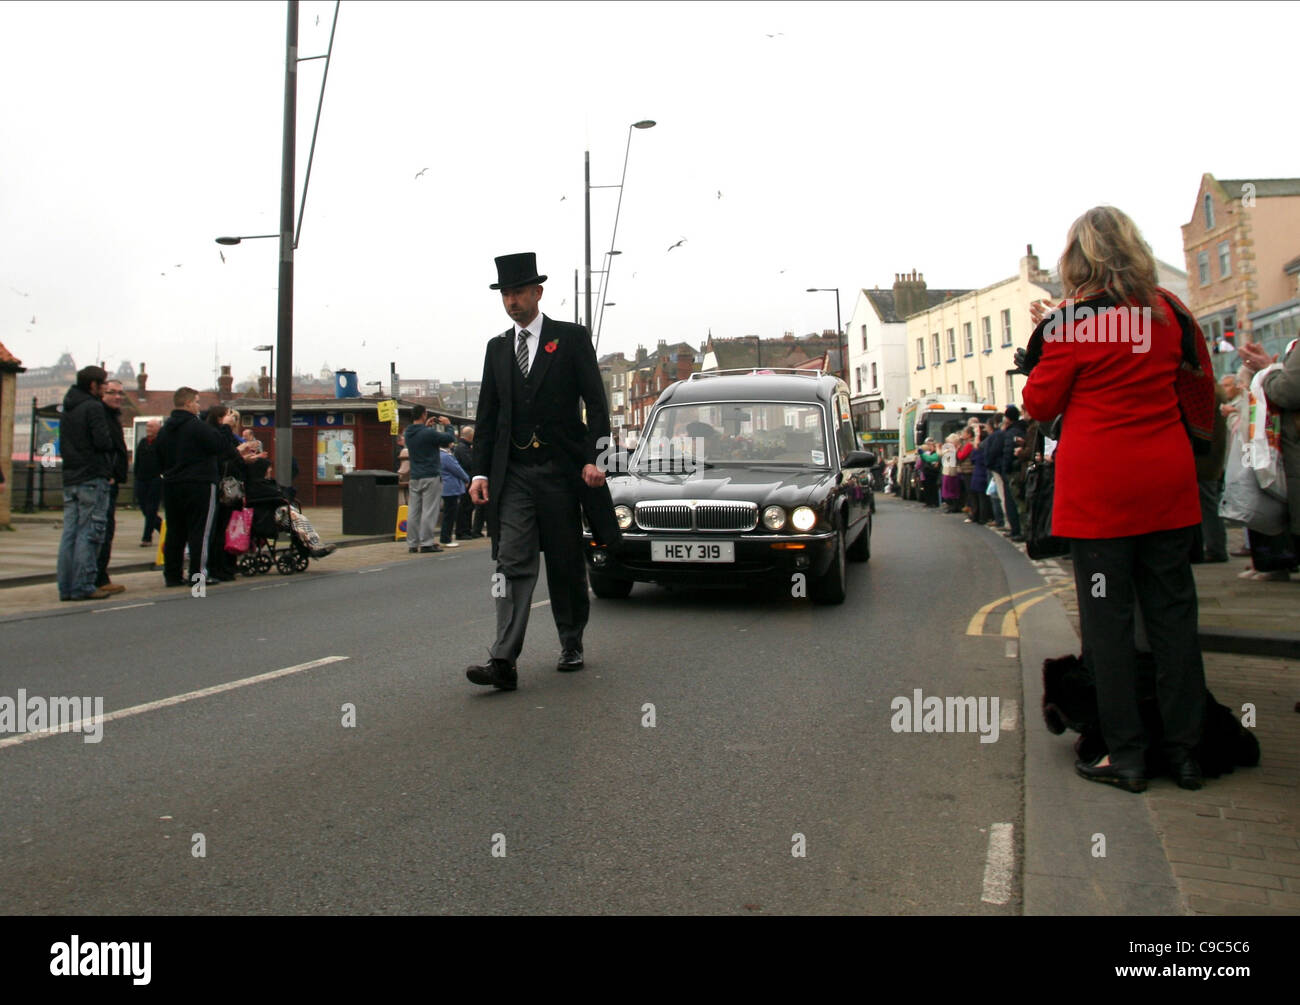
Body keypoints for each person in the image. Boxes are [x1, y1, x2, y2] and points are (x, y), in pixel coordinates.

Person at [1020, 204, 1213, 793]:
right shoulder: (1170, 311)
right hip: (1168, 484)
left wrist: (1051, 330)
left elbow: (1039, 404)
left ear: (1078, 258)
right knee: (1175, 622)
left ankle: (1125, 756)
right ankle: (1186, 754)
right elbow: (1196, 381)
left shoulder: (1075, 321)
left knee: (1109, 626)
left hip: (1102, 493)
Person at [464, 251, 617, 689]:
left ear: (538, 292)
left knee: (566, 563)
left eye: (518, 292)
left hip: (560, 472)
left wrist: (597, 459)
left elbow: (597, 405)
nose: (512, 301)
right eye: (506, 294)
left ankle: (571, 640)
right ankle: (503, 660)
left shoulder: (570, 339)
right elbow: (488, 417)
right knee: (510, 563)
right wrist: (479, 473)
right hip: (514, 474)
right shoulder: (497, 349)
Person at [154, 387, 257, 587]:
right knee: (200, 531)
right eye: (197, 402)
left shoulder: (166, 429)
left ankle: (172, 575)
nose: (198, 406)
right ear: (188, 403)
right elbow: (220, 446)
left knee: (175, 531)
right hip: (199, 484)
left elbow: (157, 456)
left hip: (171, 484)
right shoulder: (196, 426)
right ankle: (198, 575)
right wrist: (226, 427)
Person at [56, 365, 114, 601]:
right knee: (89, 533)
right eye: (103, 385)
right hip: (92, 475)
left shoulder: (68, 408)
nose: (105, 389)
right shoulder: (93, 407)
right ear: (93, 385)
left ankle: (66, 586)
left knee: (69, 533)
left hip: (71, 476)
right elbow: (102, 441)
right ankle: (83, 584)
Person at [92, 378, 129, 595]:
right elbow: (102, 447)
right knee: (101, 530)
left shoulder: (111, 417)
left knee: (106, 529)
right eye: (112, 392)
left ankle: (100, 574)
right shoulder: (101, 416)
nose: (117, 397)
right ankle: (98, 577)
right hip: (104, 480)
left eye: (120, 393)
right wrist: (109, 473)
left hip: (110, 479)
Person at [403, 404, 454, 553]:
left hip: (415, 476)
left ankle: (412, 543)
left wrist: (426, 427)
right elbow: (448, 439)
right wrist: (448, 425)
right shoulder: (428, 433)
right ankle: (427, 542)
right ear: (424, 414)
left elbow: (421, 436)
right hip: (430, 474)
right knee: (429, 510)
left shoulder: (408, 433)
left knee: (414, 511)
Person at [134, 418, 163, 546]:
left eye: (151, 427)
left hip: (156, 479)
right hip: (142, 479)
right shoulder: (143, 443)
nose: (148, 429)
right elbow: (138, 461)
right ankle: (162, 528)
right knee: (145, 508)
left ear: (158, 428)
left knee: (151, 508)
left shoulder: (162, 442)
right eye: (147, 427)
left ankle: (147, 538)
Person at [438, 443, 470, 547]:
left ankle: (445, 537)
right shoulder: (446, 456)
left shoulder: (437, 455)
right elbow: (457, 469)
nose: (453, 444)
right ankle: (446, 538)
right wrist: (467, 478)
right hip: (451, 488)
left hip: (444, 487)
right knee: (450, 513)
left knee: (448, 512)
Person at [452, 425, 477, 540]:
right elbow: (468, 463)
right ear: (470, 436)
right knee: (465, 506)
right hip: (466, 480)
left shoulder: (462, 447)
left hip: (467, 480)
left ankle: (466, 529)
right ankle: (462, 531)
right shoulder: (463, 448)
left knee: (468, 506)